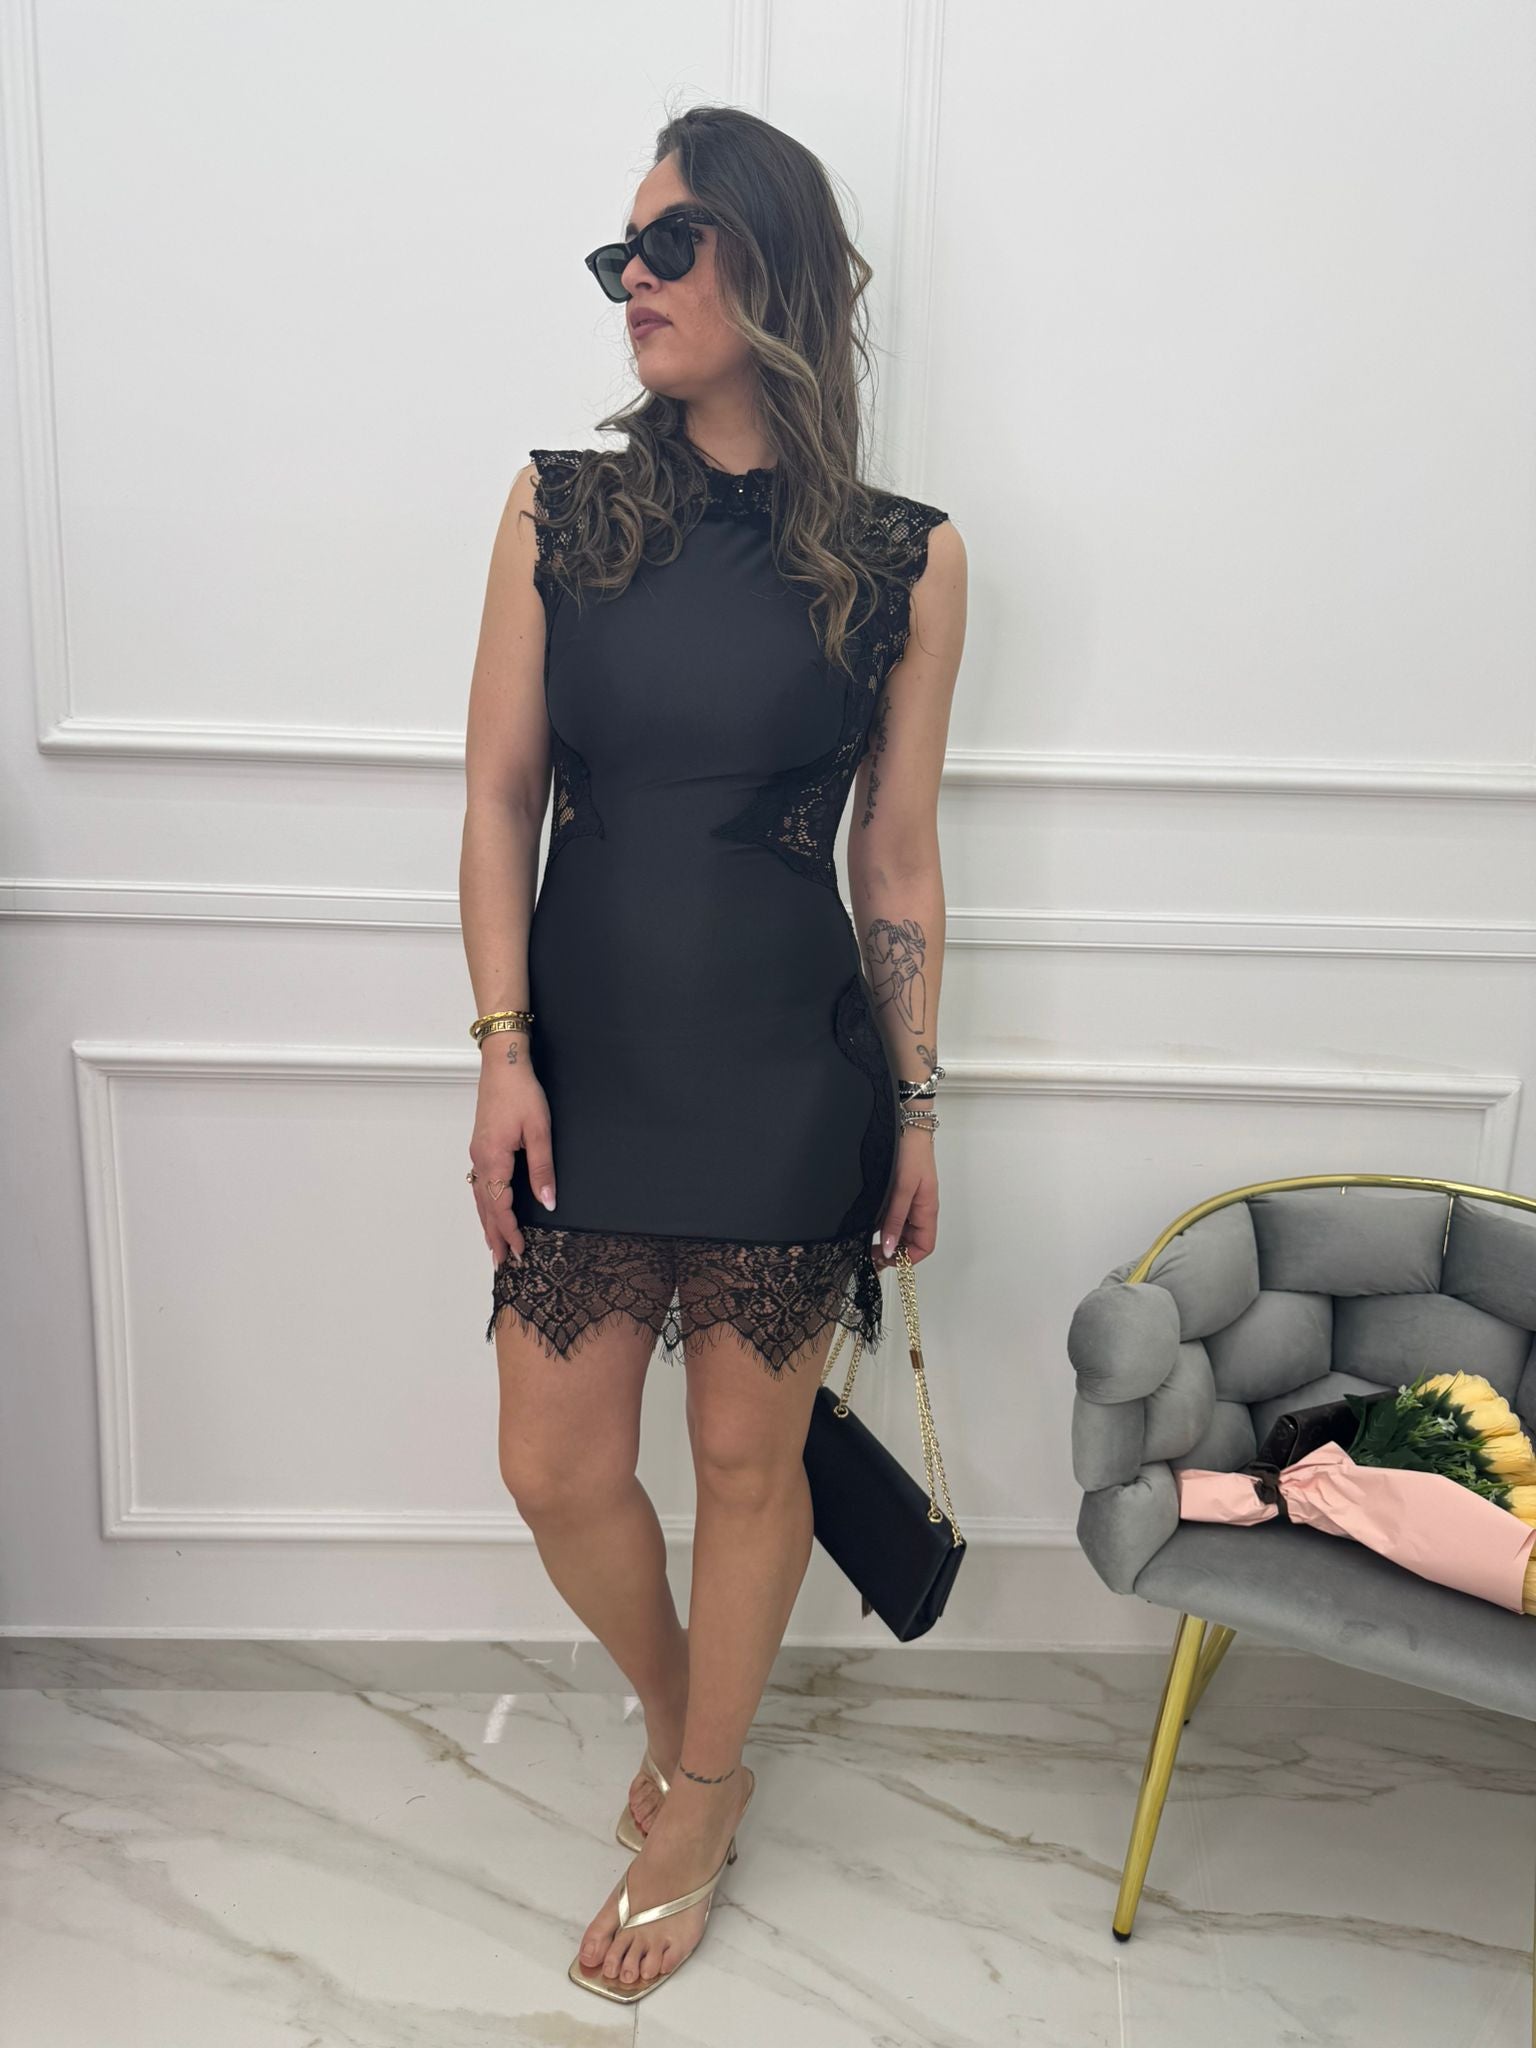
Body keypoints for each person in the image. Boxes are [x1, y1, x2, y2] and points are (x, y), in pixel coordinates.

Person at [458, 103, 966, 2002]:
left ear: (773, 259)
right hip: (586, 1059)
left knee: (751, 1462)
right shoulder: (559, 510)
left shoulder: (906, 558)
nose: (633, 284)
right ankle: (695, 1736)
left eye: (669, 245)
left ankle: (698, 1799)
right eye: (622, 255)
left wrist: (917, 1104)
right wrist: (501, 1051)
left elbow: (895, 855)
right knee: (554, 1462)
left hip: (787, 1067)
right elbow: (498, 798)